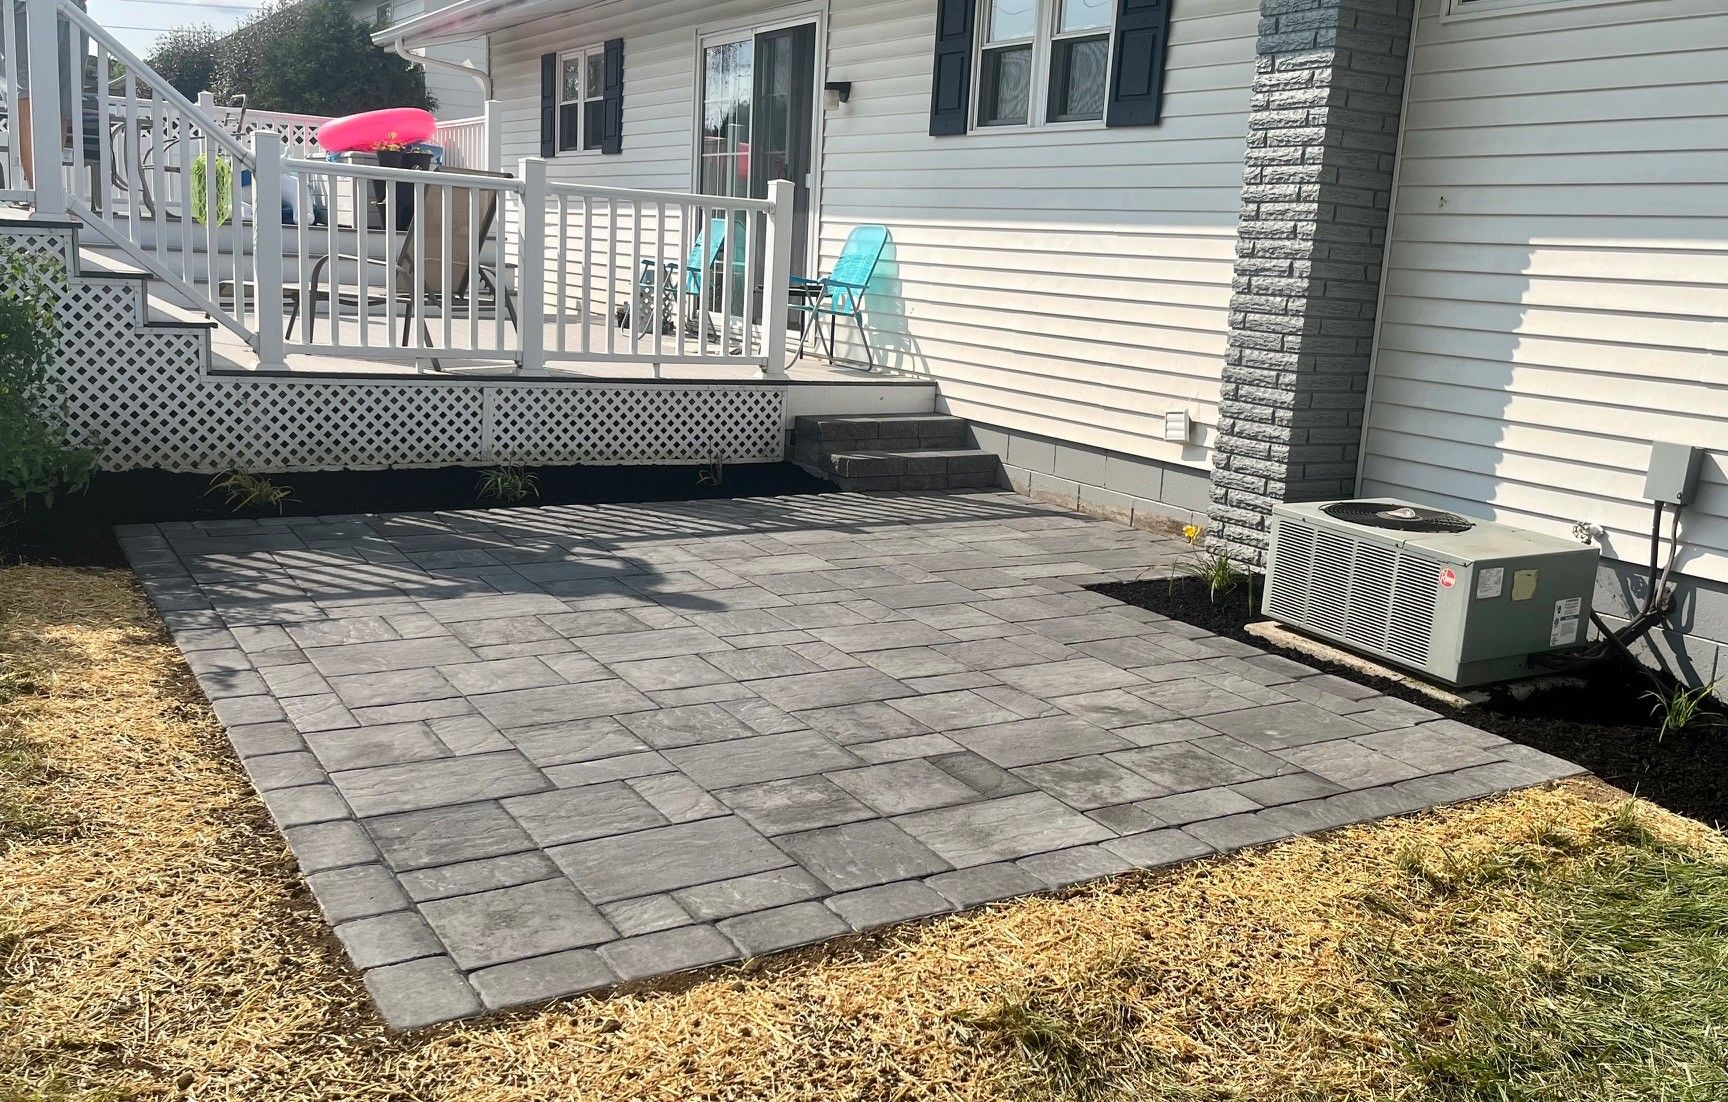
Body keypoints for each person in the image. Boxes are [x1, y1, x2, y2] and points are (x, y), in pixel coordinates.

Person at [8, 0, 89, 185]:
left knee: (62, 101)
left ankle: (50, 187)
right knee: (27, 91)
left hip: (73, 11)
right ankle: (39, 190)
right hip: (23, 7)